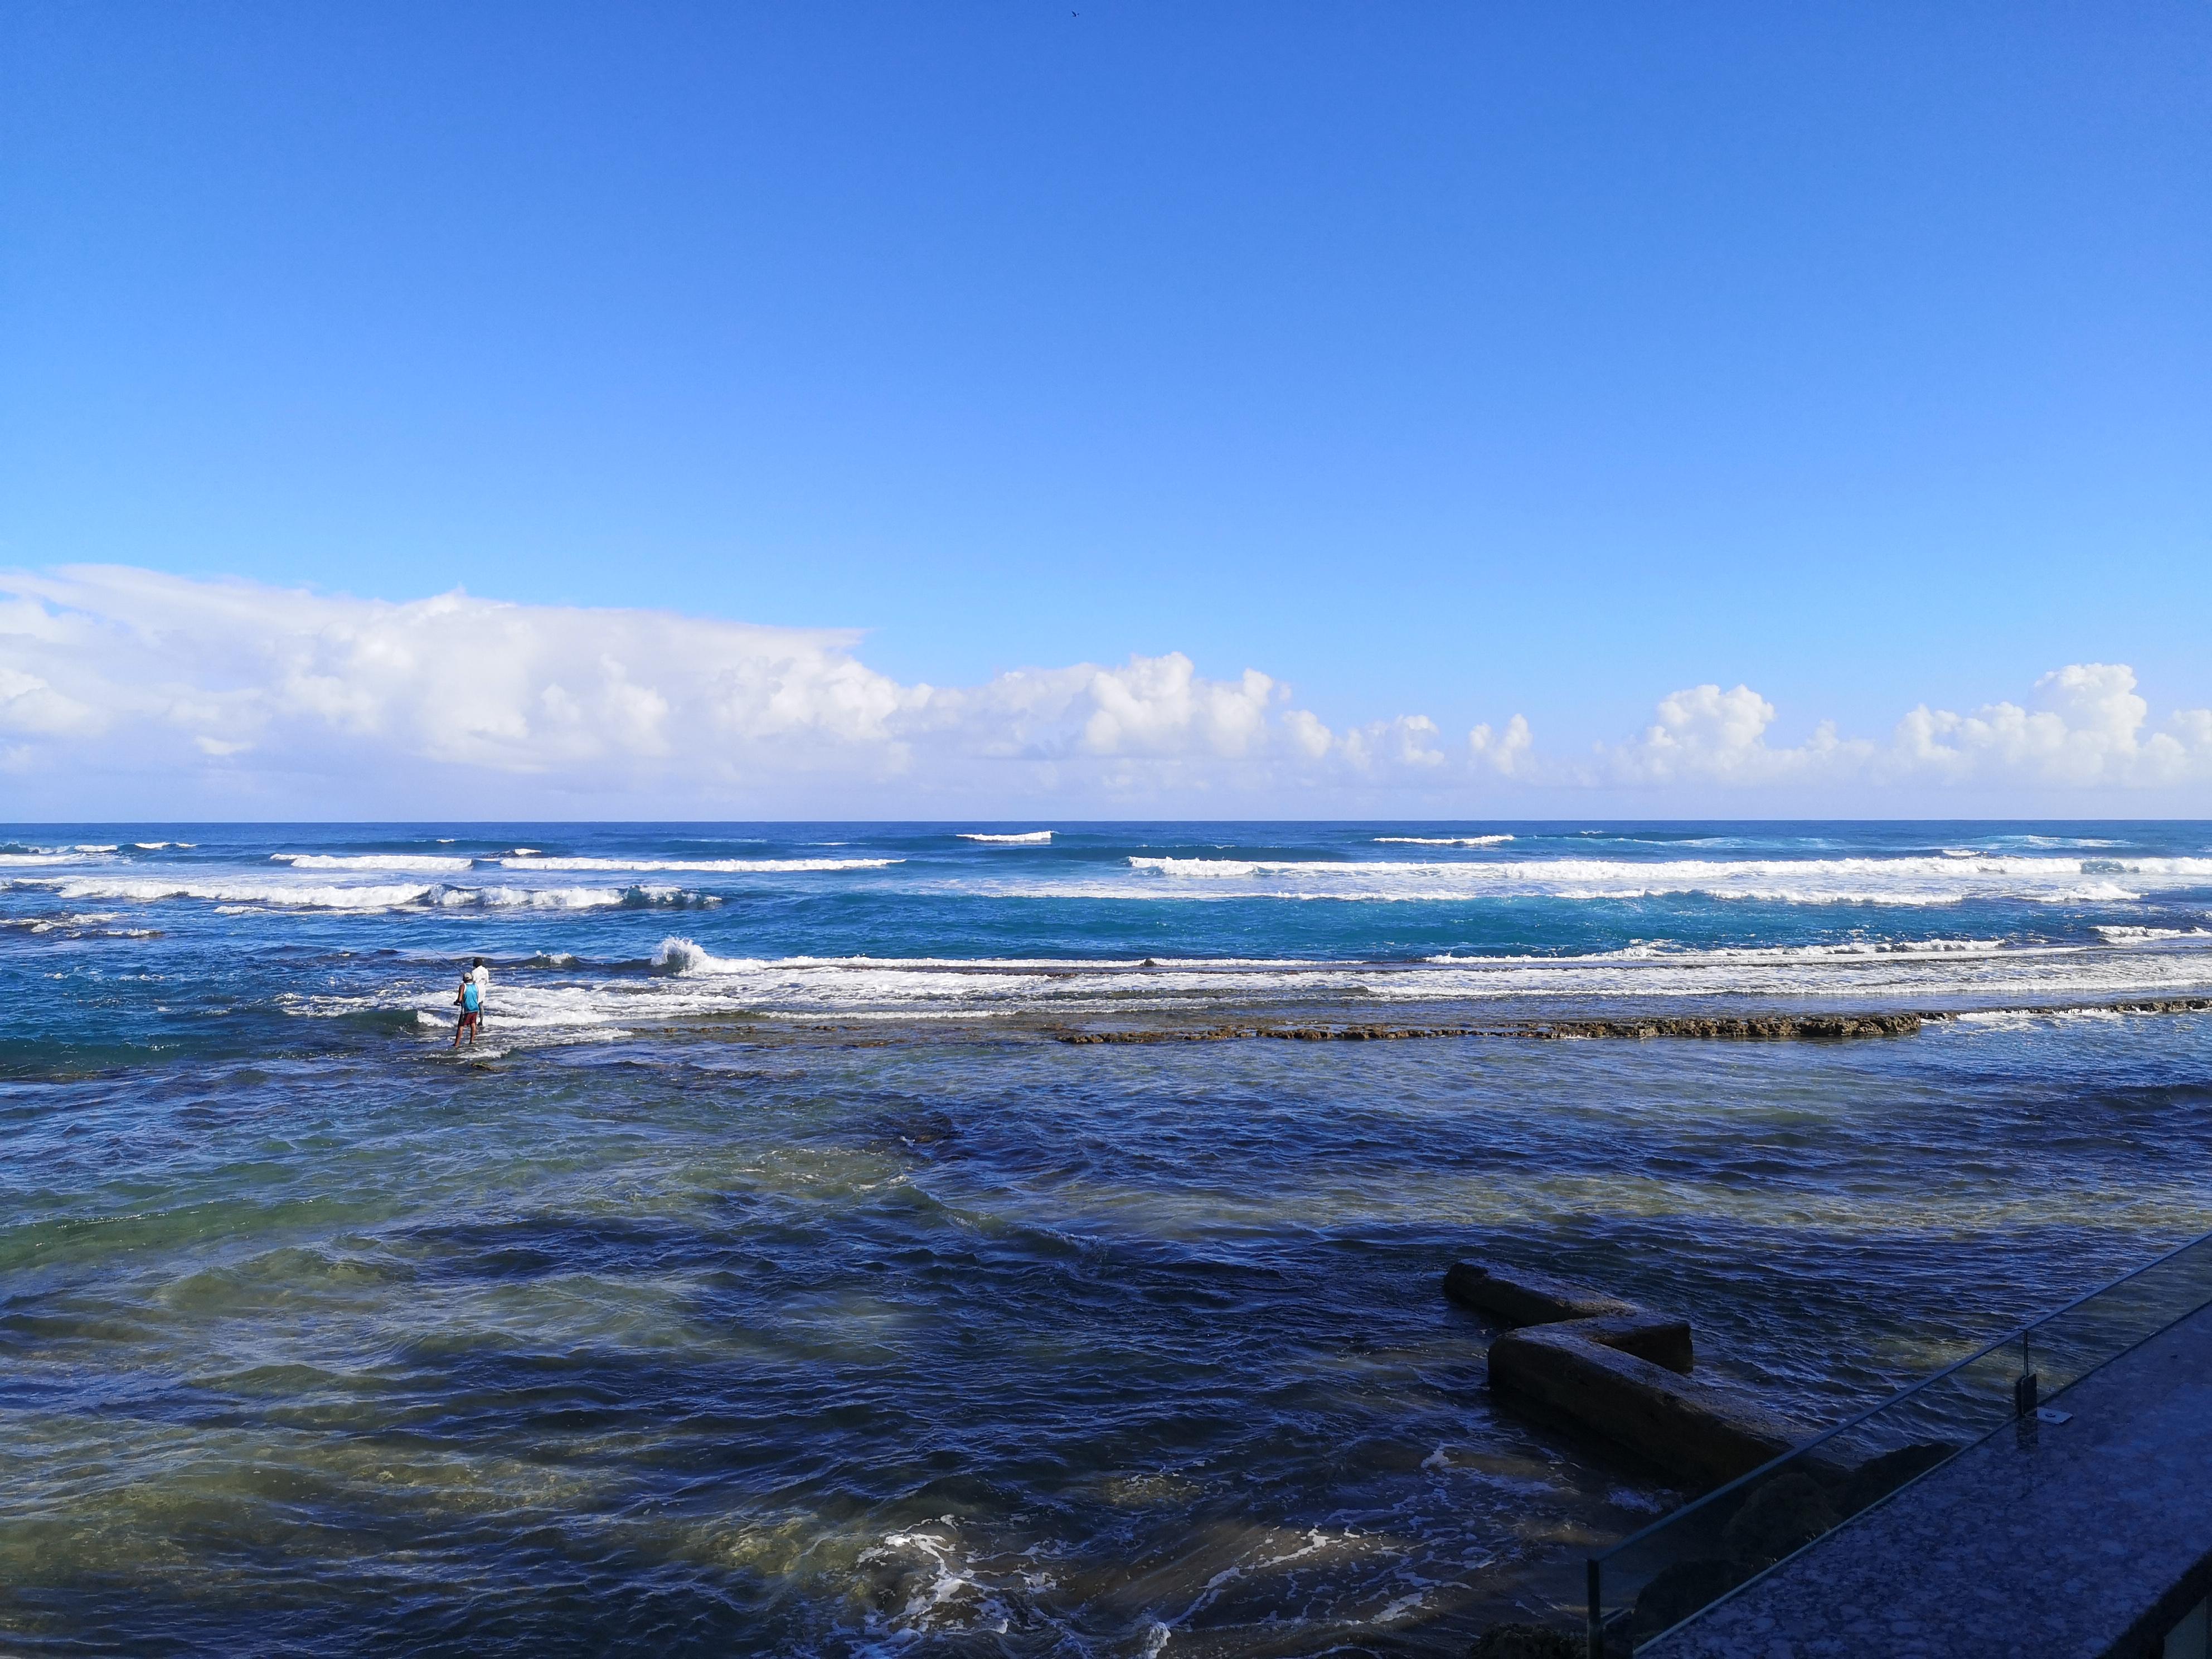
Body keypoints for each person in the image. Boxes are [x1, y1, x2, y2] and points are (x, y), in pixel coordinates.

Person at [452, 970, 483, 1049]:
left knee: (461, 1026)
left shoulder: (463, 986)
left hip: (467, 1009)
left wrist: (456, 1002)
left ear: (464, 979)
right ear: (471, 979)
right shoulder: (476, 986)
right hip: (475, 1008)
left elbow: (459, 999)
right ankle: (472, 1041)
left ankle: (457, 1044)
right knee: (473, 1024)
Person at [470, 958, 491, 1029]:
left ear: (476, 963)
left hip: (476, 989)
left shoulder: (474, 972)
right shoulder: (485, 970)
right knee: (481, 1005)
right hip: (483, 988)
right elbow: (487, 981)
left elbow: (472, 982)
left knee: (474, 1005)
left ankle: (473, 1021)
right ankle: (481, 1021)